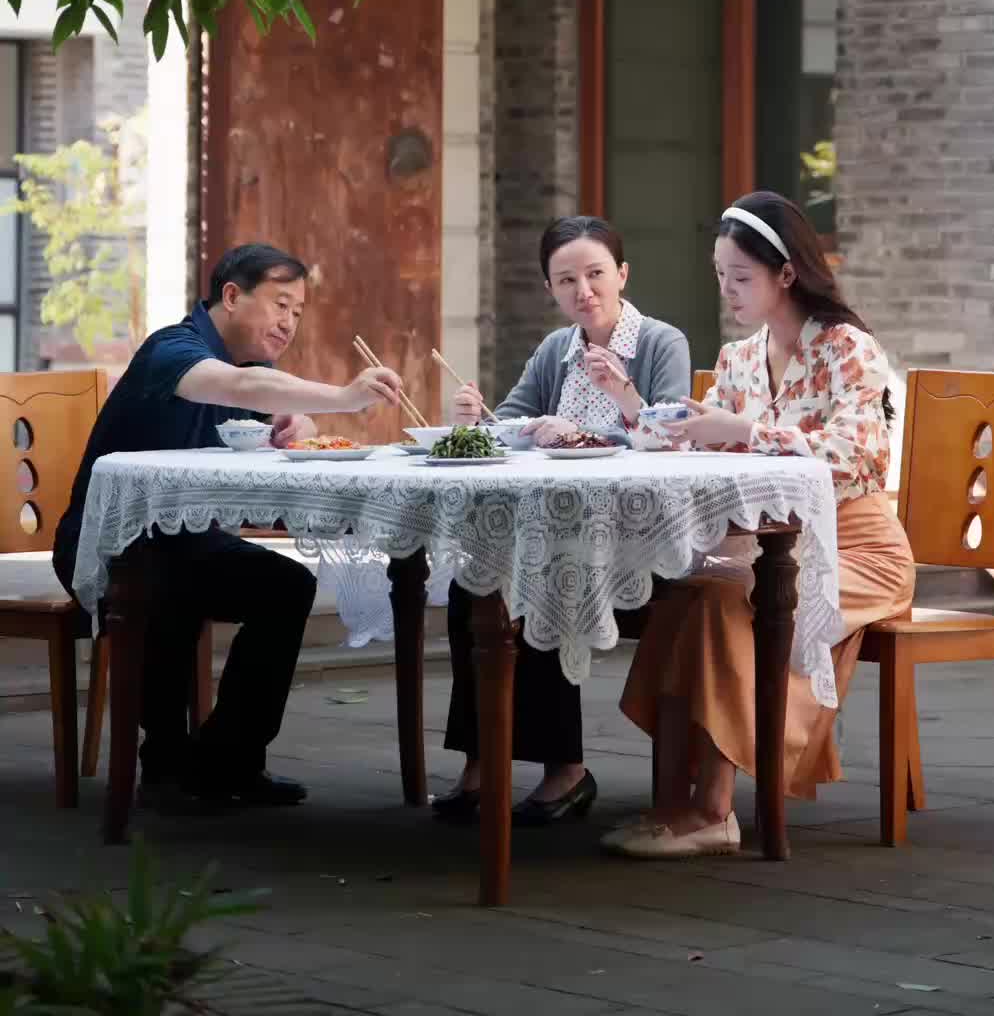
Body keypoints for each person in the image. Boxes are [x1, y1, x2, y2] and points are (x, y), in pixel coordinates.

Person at [606, 190, 915, 859]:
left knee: (726, 600)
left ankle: (713, 811)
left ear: (787, 274)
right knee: (683, 596)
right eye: (720, 275)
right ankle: (672, 805)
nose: (727, 290)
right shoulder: (740, 358)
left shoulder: (847, 348)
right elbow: (698, 446)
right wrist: (634, 408)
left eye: (741, 277)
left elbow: (858, 457)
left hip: (859, 550)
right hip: (770, 549)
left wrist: (745, 431)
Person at [53, 242, 401, 812]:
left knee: (287, 586)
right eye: (280, 304)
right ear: (233, 296)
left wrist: (300, 421)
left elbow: (272, 403)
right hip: (111, 542)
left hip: (184, 540)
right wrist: (342, 397)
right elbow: (237, 390)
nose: (289, 322)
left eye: (298, 312)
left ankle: (226, 760)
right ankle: (164, 764)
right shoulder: (173, 349)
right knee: (168, 584)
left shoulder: (253, 369)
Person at [439, 214, 691, 826]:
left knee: (545, 575)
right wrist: (478, 418)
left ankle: (566, 772)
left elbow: (675, 440)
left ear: (622, 274)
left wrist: (619, 400)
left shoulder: (661, 343)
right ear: (550, 288)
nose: (584, 290)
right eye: (567, 280)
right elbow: (510, 423)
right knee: (474, 581)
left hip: (639, 538)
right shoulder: (557, 349)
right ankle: (481, 762)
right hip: (558, 530)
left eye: (596, 274)